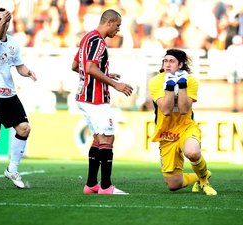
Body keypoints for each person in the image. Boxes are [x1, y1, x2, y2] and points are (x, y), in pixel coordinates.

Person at [71, 9, 133, 195]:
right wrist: (115, 84)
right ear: (110, 22)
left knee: (99, 138)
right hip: (95, 99)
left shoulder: (86, 38)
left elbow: (76, 66)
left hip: (84, 96)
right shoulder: (98, 41)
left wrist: (104, 74)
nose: (118, 30)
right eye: (118, 25)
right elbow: (89, 67)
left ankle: (91, 185)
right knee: (108, 137)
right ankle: (106, 187)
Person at [148, 49, 217, 195]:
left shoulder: (190, 80)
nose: (167, 64)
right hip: (166, 133)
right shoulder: (155, 82)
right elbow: (166, 110)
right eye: (165, 61)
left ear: (180, 64)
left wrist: (182, 85)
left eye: (171, 61)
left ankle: (204, 180)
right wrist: (170, 85)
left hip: (186, 127)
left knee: (192, 152)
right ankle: (201, 175)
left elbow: (184, 109)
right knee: (174, 185)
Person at [0, 8, 37, 190]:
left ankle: (12, 170)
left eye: (5, 19)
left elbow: (19, 66)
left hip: (9, 94)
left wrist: (28, 72)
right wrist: (2, 24)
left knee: (24, 129)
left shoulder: (14, 43)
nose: (2, 22)